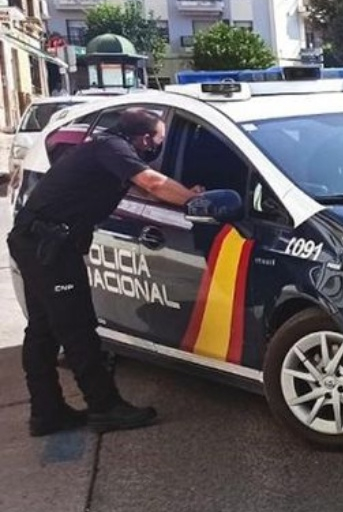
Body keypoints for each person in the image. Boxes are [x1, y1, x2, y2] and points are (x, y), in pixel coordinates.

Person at [9, 108, 202, 436]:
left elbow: (142, 188)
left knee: (43, 329)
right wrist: (197, 201)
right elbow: (152, 183)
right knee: (77, 328)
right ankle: (104, 407)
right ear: (143, 138)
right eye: (158, 139)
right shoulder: (112, 148)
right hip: (48, 246)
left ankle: (47, 413)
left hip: (37, 241)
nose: (159, 146)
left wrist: (184, 194)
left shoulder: (109, 149)